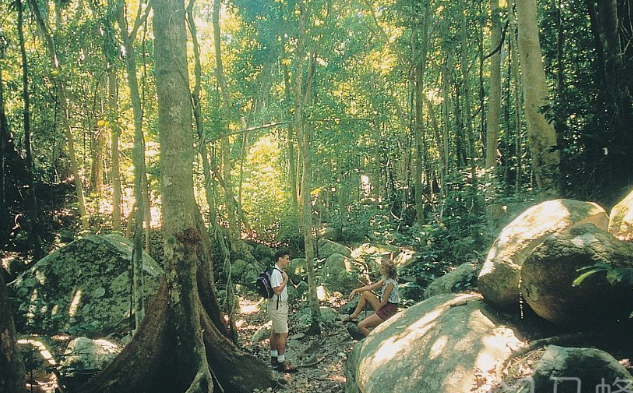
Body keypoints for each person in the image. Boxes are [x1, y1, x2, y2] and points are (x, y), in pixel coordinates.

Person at [343, 260, 399, 337]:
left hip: (388, 310)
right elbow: (371, 287)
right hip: (384, 306)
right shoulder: (385, 280)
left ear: (387, 271)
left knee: (361, 326)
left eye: (382, 268)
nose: (380, 269)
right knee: (365, 293)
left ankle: (373, 340)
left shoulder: (390, 284)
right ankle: (354, 315)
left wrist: (376, 312)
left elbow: (384, 302)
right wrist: (356, 290)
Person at [268, 249, 297, 373]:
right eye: (286, 258)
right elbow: (277, 290)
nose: (288, 261)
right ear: (280, 258)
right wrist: (286, 280)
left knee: (275, 331)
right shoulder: (275, 273)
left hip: (279, 305)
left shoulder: (279, 271)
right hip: (277, 306)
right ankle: (281, 362)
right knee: (283, 333)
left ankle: (274, 357)